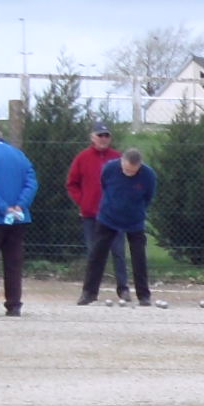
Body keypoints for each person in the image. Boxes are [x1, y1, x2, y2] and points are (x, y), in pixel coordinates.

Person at [79, 147, 159, 308]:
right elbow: (104, 185)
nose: (129, 173)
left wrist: (136, 210)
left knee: (139, 257)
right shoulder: (109, 169)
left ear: (140, 166)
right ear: (121, 161)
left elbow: (148, 197)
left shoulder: (148, 175)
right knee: (97, 255)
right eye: (127, 170)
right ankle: (89, 293)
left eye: (133, 171)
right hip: (108, 218)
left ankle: (143, 295)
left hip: (135, 221)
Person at [66, 121, 130, 302]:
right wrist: (83, 202)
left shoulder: (118, 158)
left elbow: (127, 184)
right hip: (91, 215)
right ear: (92, 137)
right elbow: (72, 183)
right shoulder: (83, 158)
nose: (103, 139)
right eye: (99, 135)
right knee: (93, 253)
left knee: (118, 252)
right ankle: (89, 292)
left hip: (114, 215)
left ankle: (123, 289)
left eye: (106, 135)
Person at [0, 120, 32, 317]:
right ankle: (14, 304)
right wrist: (19, 205)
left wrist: (3, 208)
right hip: (18, 219)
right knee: (13, 263)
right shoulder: (19, 155)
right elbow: (31, 182)